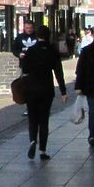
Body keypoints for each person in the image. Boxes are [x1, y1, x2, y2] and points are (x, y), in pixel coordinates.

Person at [19, 25, 66, 160]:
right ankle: (43, 150)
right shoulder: (53, 51)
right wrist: (63, 91)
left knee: (32, 118)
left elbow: (25, 69)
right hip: (46, 89)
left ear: (37, 35)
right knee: (44, 119)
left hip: (31, 89)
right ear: (49, 35)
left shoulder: (31, 51)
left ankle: (33, 140)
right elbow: (58, 72)